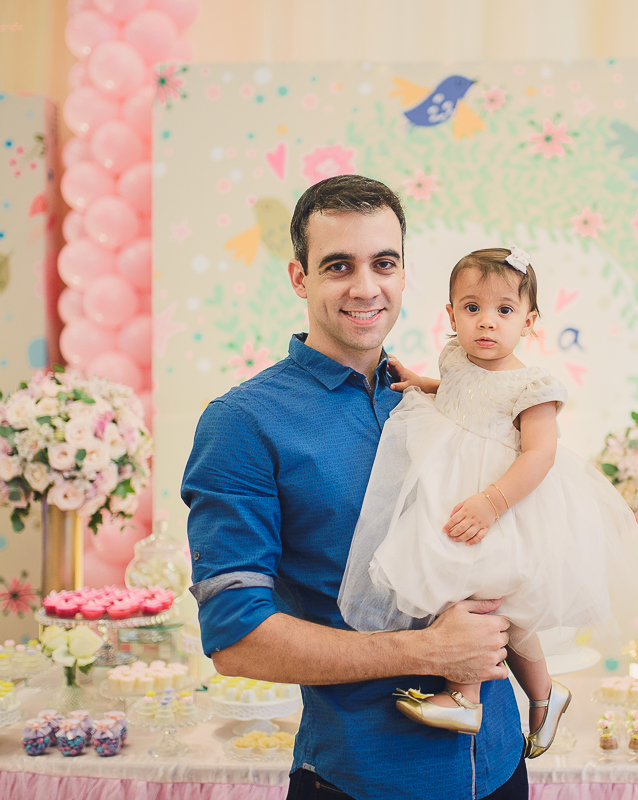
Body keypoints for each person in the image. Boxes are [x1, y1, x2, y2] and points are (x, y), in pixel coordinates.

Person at [182, 175, 528, 800]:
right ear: (299, 278)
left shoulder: (447, 397)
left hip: (503, 765)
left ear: (404, 274)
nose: (366, 287)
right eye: (338, 265)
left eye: (383, 263)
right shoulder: (243, 423)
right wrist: (427, 652)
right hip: (361, 779)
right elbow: (236, 639)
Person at [338, 247, 638, 755]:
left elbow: (540, 455)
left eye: (504, 310)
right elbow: (461, 393)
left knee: (475, 594)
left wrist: (492, 503)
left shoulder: (532, 386)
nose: (486, 321)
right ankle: (545, 694)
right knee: (498, 610)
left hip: (505, 506)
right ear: (451, 315)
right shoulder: (457, 357)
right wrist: (421, 383)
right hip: (457, 498)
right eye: (472, 308)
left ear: (529, 322)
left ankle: (464, 699)